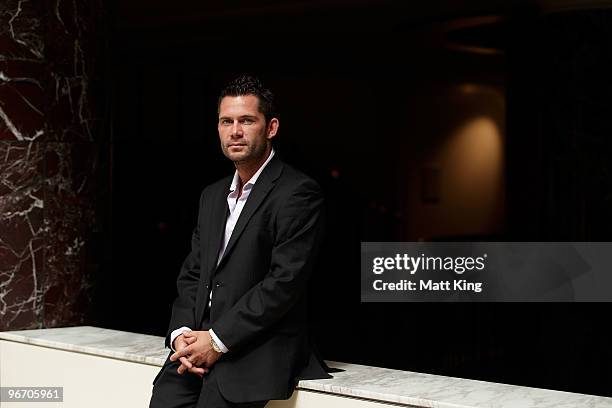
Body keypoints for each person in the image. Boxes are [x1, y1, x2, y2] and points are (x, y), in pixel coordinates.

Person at [149, 75, 332, 408]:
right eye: (226, 121)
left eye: (247, 120)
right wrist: (182, 334)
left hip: (252, 351)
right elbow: (192, 273)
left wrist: (217, 341)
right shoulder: (211, 196)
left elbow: (284, 283)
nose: (235, 131)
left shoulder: (297, 192)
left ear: (271, 127)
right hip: (193, 351)